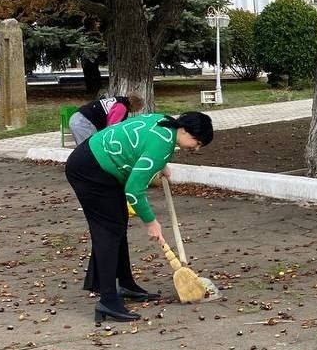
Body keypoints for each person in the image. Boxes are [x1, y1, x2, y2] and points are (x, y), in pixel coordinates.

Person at [65, 112, 213, 322]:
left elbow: (144, 141)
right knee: (106, 233)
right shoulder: (162, 146)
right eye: (197, 142)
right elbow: (134, 191)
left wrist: (161, 165)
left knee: (116, 226)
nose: (196, 148)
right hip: (89, 170)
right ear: (185, 130)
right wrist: (151, 222)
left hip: (95, 160)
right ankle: (107, 300)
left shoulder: (165, 122)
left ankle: (126, 285)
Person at [70, 95, 145, 145]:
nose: (137, 111)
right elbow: (110, 129)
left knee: (85, 147)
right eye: (138, 108)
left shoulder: (119, 100)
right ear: (135, 105)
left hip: (78, 117)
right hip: (83, 122)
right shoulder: (121, 107)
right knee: (90, 148)